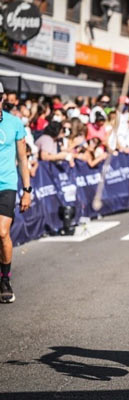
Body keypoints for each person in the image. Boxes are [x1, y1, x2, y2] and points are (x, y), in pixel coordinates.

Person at [0, 84, 31, 303]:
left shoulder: (14, 123)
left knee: (2, 233)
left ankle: (5, 279)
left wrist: (27, 190)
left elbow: (22, 159)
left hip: (6, 183)